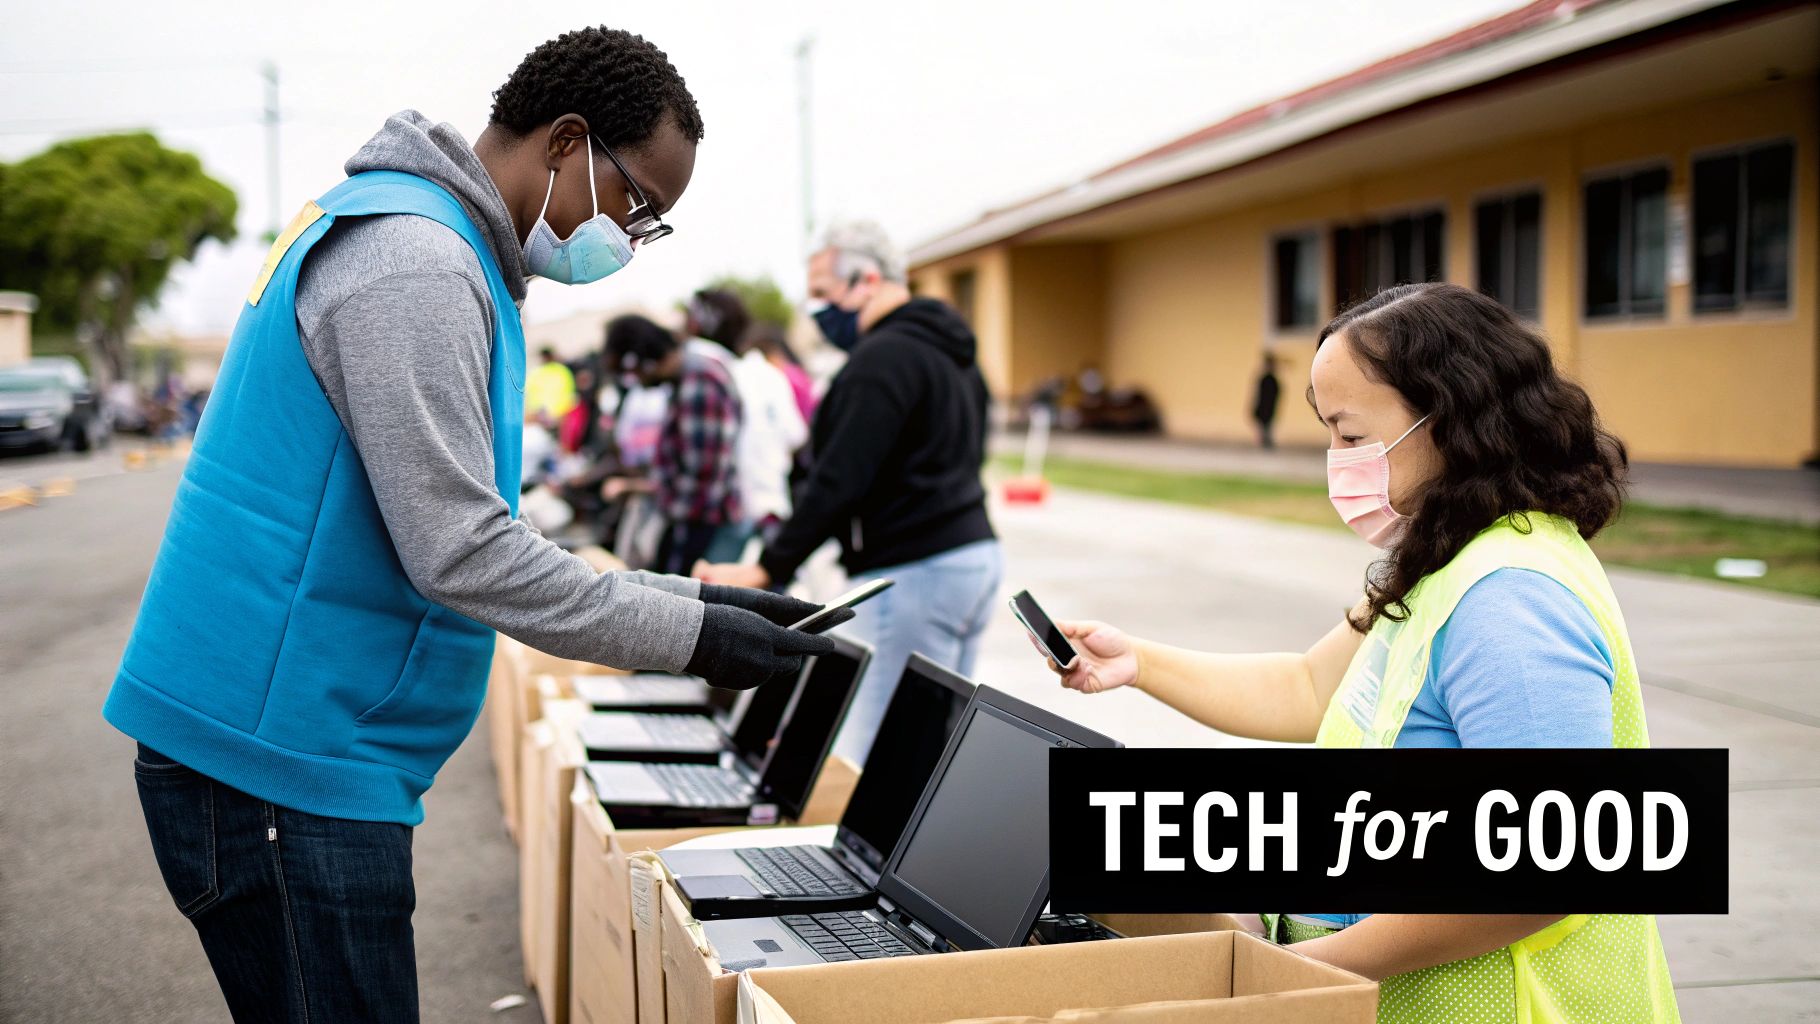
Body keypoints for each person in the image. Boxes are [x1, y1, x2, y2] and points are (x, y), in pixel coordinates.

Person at [104, 28, 847, 1024]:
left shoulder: (442, 252)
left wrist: (702, 597)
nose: (629, 240)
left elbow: (471, 524)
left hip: (305, 748)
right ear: (565, 141)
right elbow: (459, 549)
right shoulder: (415, 262)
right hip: (278, 758)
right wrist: (697, 638)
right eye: (635, 204)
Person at [1044, 283, 1677, 1023]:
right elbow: (1309, 688)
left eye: (1349, 434)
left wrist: (1293, 974)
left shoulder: (1510, 600)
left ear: (1448, 419)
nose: (1336, 460)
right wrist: (1137, 664)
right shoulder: (1444, 557)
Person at [696, 219, 1002, 763]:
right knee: (935, 739)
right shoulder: (952, 352)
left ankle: (881, 853)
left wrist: (770, 566)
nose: (816, 310)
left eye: (821, 294)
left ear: (865, 280)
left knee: (882, 752)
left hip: (915, 566)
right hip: (974, 557)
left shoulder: (880, 359)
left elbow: (838, 479)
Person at [602, 312, 743, 575]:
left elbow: (701, 474)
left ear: (643, 362)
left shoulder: (698, 382)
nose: (636, 382)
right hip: (696, 519)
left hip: (703, 523)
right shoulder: (685, 381)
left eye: (631, 372)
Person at [686, 291, 808, 563]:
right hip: (773, 507)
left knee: (718, 598)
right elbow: (797, 435)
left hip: (730, 514)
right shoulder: (768, 374)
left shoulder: (706, 372)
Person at [526, 344, 578, 423]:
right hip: (540, 417)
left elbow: (569, 395)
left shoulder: (562, 371)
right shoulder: (536, 372)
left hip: (558, 418)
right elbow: (530, 394)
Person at [1252, 351, 1281, 449]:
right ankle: (1265, 445)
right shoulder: (1267, 379)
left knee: (1265, 428)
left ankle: (1265, 445)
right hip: (1265, 409)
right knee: (1264, 428)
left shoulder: (1269, 380)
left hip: (1267, 409)